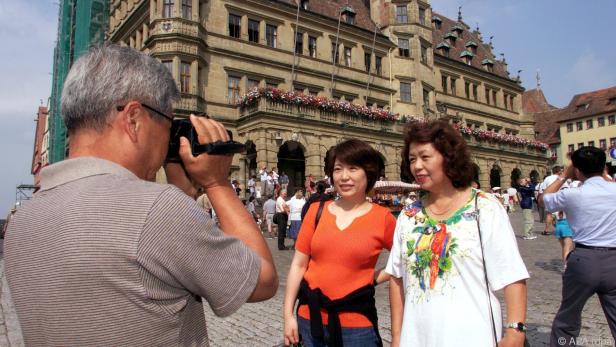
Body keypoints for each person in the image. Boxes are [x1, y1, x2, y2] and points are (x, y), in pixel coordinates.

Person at [4, 45, 278, 346]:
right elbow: (262, 281)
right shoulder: (157, 210)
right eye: (167, 123)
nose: (168, 141)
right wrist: (217, 184)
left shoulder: (21, 222)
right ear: (133, 119)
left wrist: (182, 193)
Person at [387, 120, 529, 347]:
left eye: (425, 157)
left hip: (473, 335)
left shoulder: (483, 207)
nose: (417, 166)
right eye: (412, 159)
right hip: (417, 338)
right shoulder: (409, 214)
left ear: (448, 156)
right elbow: (396, 277)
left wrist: (515, 332)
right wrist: (396, 337)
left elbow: (511, 273)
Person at [283, 139, 396, 347]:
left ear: (368, 173)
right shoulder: (317, 211)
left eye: (353, 168)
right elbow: (298, 265)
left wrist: (372, 278)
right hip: (310, 319)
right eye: (338, 169)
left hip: (357, 325)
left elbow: (402, 261)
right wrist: (288, 315)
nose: (344, 177)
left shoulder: (383, 218)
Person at [539, 147, 616, 346]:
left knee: (568, 317)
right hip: (614, 260)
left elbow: (544, 199)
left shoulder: (572, 195)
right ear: (604, 167)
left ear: (577, 170)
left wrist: (564, 176)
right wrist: (605, 175)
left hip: (584, 259)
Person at [538, 166, 563, 235]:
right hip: (560, 197)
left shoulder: (547, 178)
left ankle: (546, 230)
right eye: (561, 171)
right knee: (561, 214)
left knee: (549, 214)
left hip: (549, 198)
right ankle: (561, 229)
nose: (562, 172)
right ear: (559, 172)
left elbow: (543, 189)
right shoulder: (561, 178)